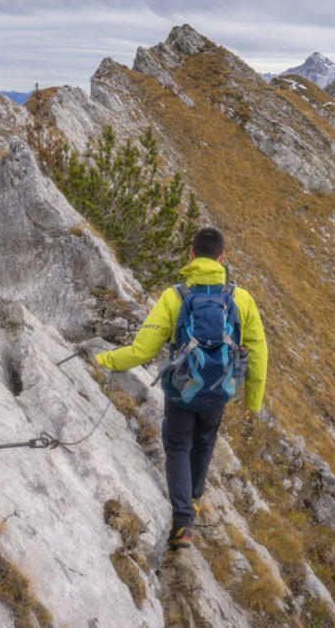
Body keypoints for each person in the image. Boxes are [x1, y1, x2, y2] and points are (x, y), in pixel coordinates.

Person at [89, 227, 268, 550]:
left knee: (178, 445)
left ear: (191, 255)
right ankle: (193, 499)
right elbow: (258, 354)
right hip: (220, 389)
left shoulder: (175, 297)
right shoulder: (241, 299)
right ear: (222, 258)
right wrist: (252, 404)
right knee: (205, 441)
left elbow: (142, 350)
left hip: (182, 390)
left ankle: (183, 523)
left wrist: (103, 359)